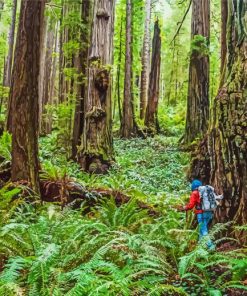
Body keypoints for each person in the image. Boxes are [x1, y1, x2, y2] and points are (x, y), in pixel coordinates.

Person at [177, 179, 215, 250]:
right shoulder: (206, 191)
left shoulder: (194, 193)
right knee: (201, 229)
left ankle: (211, 246)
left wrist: (185, 208)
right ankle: (200, 247)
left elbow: (191, 205)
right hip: (209, 212)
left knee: (204, 230)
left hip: (201, 213)